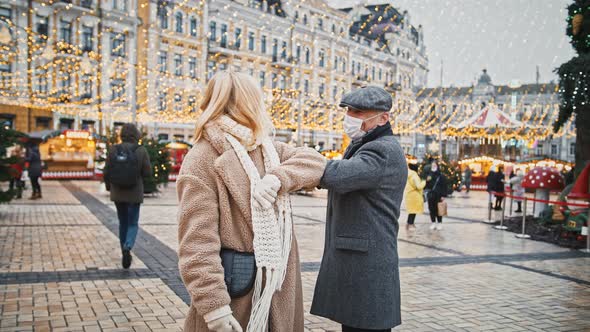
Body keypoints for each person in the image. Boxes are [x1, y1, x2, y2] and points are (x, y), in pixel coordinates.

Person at [176, 71, 326, 332]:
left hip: (279, 290)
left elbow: (314, 161)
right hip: (238, 297)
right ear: (248, 103)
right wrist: (214, 308)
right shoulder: (202, 159)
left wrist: (279, 178)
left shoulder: (265, 147)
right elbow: (197, 244)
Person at [310, 86, 407, 332]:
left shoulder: (382, 149)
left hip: (368, 266)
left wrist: (302, 159)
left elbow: (340, 176)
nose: (350, 116)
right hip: (359, 264)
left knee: (365, 327)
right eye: (349, 110)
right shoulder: (365, 143)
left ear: (383, 117)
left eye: (359, 112)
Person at [103, 123, 152, 269]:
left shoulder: (113, 149)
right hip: (134, 192)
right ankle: (128, 246)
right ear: (136, 134)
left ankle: (123, 248)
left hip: (117, 192)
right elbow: (147, 172)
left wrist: (108, 187)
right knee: (132, 223)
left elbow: (106, 171)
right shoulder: (141, 150)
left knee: (122, 222)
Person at [425, 160, 447, 230]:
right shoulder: (429, 175)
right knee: (431, 209)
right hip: (431, 195)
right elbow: (427, 186)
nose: (433, 167)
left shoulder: (441, 175)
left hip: (439, 195)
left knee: (439, 209)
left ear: (437, 166)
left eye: (434, 165)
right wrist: (427, 181)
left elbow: (444, 186)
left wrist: (443, 195)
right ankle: (433, 222)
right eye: (432, 165)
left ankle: (439, 223)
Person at [404, 163, 425, 230]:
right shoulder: (414, 175)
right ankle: (411, 224)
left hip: (409, 195)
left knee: (411, 211)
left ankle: (409, 224)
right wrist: (424, 182)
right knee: (413, 211)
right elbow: (418, 186)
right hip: (414, 196)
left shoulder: (408, 174)